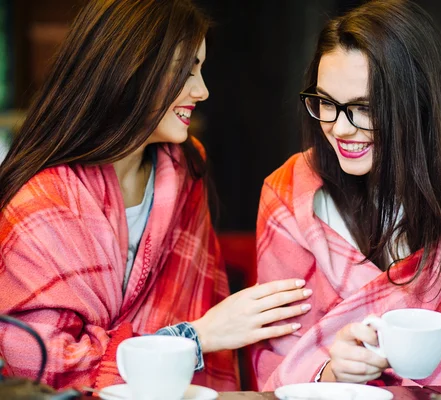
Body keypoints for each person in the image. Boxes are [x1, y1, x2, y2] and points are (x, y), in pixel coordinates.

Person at [0, 0, 312, 392]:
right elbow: (40, 367)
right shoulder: (40, 205)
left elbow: (200, 299)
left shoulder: (183, 168)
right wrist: (192, 339)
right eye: (185, 71)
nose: (201, 90)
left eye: (200, 69)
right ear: (128, 72)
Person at [252, 0, 441, 390]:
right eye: (326, 103)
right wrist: (329, 371)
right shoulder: (287, 196)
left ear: (420, 104)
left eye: (365, 108)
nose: (340, 128)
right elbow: (273, 366)